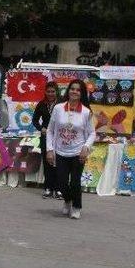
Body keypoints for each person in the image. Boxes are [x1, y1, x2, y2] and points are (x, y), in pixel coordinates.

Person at [46, 80, 96, 220]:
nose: (74, 91)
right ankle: (67, 200)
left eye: (78, 90)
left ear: (81, 94)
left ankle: (76, 206)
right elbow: (50, 130)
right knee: (61, 182)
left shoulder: (86, 112)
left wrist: (86, 148)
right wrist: (50, 149)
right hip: (60, 152)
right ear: (68, 91)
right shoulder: (58, 108)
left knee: (75, 182)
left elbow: (92, 133)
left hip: (77, 153)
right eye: (72, 89)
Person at [32, 81, 61, 199]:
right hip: (45, 137)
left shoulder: (62, 104)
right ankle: (48, 188)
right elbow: (34, 120)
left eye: (53, 91)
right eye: (48, 91)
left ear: (56, 92)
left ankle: (59, 189)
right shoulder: (41, 104)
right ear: (45, 92)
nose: (50, 94)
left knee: (59, 162)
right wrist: (41, 128)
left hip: (60, 136)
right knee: (47, 162)